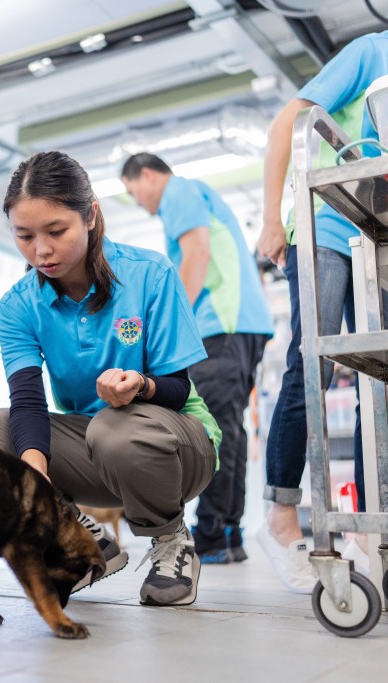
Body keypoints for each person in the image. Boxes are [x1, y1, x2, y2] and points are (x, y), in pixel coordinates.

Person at [255, 0, 388, 592]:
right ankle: (278, 516)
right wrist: (272, 218)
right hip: (328, 223)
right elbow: (289, 123)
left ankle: (372, 525)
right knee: (314, 365)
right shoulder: (372, 52)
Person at [0, 151, 220, 606]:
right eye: (24, 236)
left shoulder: (149, 274)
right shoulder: (19, 305)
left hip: (177, 448)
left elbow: (177, 390)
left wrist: (141, 385)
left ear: (91, 215)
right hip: (96, 450)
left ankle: (171, 539)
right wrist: (33, 474)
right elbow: (27, 402)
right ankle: (80, 540)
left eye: (56, 231)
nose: (41, 250)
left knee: (114, 427)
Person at [120, 153, 273, 564]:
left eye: (135, 192)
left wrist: (173, 326)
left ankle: (210, 536)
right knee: (230, 429)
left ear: (149, 176)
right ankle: (225, 533)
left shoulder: (179, 191)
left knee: (210, 429)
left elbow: (196, 256)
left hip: (219, 324)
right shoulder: (198, 195)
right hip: (243, 325)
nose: (139, 203)